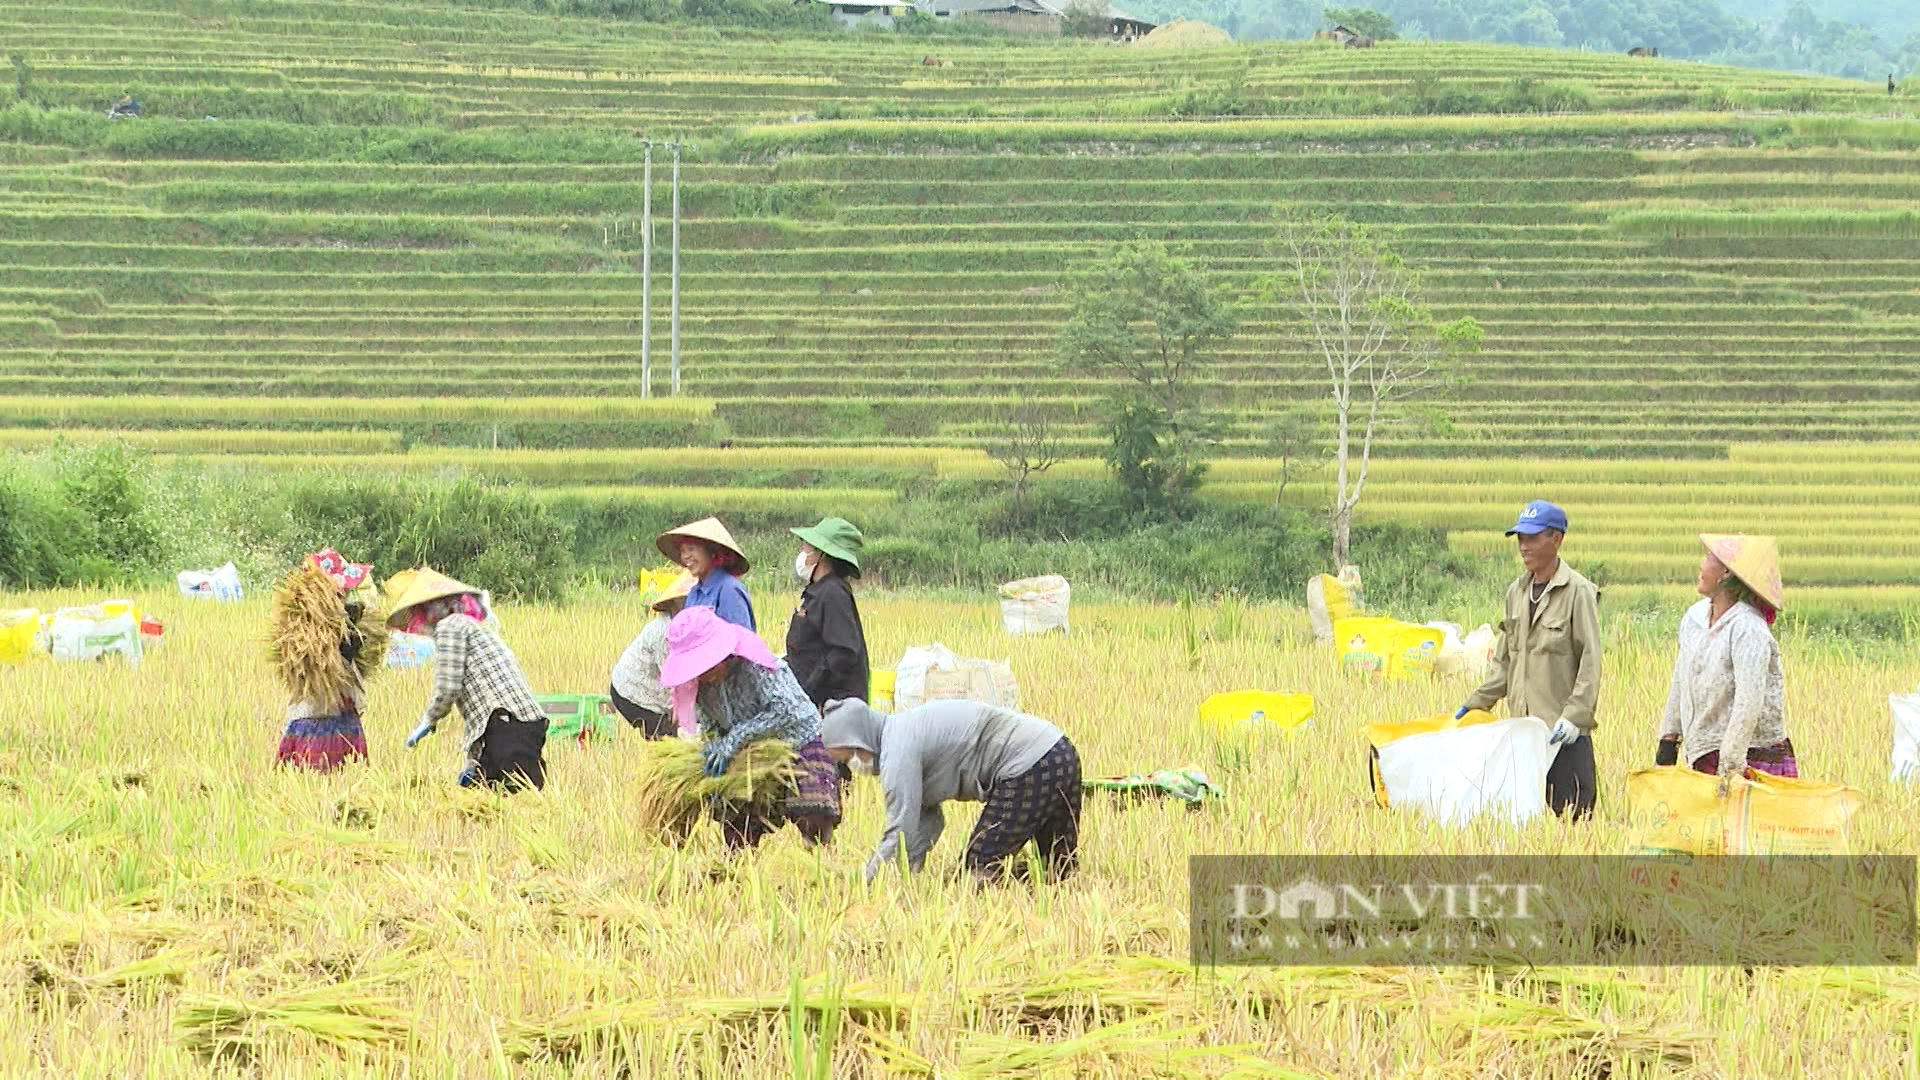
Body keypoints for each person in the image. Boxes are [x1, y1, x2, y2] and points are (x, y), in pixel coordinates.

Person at [822, 697, 1083, 886]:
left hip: (1029, 767)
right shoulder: (903, 731)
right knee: (1057, 871)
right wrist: (909, 874)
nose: (854, 765)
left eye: (850, 756)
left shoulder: (897, 752)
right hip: (1060, 752)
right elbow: (929, 821)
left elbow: (899, 828)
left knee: (977, 867)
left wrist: (866, 882)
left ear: (859, 739)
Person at [1458, 500, 1603, 820]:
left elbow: (1591, 661)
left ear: (1557, 539)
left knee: (1571, 828)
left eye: (1533, 538)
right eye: (1521, 538)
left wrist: (1575, 717)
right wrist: (1477, 702)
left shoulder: (1578, 592)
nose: (1524, 546)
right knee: (1527, 828)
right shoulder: (1516, 593)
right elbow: (1505, 661)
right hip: (1522, 738)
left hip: (1562, 736)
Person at [660, 606, 841, 848]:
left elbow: (784, 710)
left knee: (813, 814)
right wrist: (714, 751)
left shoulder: (755, 665)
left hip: (799, 739)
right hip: (751, 755)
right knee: (737, 820)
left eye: (705, 666)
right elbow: (713, 727)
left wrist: (734, 739)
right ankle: (737, 874)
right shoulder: (699, 687)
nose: (702, 675)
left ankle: (820, 869)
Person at [1656, 534, 1794, 794]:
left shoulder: (1748, 629)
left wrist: (1730, 768)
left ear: (1726, 573)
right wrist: (1669, 739)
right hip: (1703, 751)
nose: (1701, 565)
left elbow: (1748, 702)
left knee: (1743, 831)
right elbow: (1680, 677)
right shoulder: (1694, 618)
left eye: (1708, 558)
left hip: (1747, 758)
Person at [391, 568, 549, 794]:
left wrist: (429, 718)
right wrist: (473, 762)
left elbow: (448, 686)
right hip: (521, 724)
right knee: (495, 797)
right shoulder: (472, 627)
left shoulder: (450, 626)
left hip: (508, 724)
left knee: (516, 802)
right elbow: (482, 714)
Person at [271, 549, 385, 773]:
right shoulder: (305, 628)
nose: (343, 595)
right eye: (339, 592)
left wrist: (352, 627)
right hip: (316, 724)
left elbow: (353, 662)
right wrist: (344, 634)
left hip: (344, 721)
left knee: (346, 787)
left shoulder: (345, 621)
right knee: (313, 791)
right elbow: (322, 667)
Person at [785, 516, 871, 712]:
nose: (803, 552)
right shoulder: (818, 591)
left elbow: (844, 652)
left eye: (807, 547)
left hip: (835, 708)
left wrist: (811, 690)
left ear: (821, 555)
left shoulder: (833, 593)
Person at [609, 571, 695, 739]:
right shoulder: (664, 631)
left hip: (657, 689)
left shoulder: (689, 628)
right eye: (686, 601)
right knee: (671, 738)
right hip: (632, 692)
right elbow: (675, 679)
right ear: (675, 603)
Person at [657, 516, 756, 631]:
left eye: (691, 549)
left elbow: (742, 641)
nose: (685, 556)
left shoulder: (729, 590)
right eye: (683, 551)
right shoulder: (694, 594)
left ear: (712, 552)